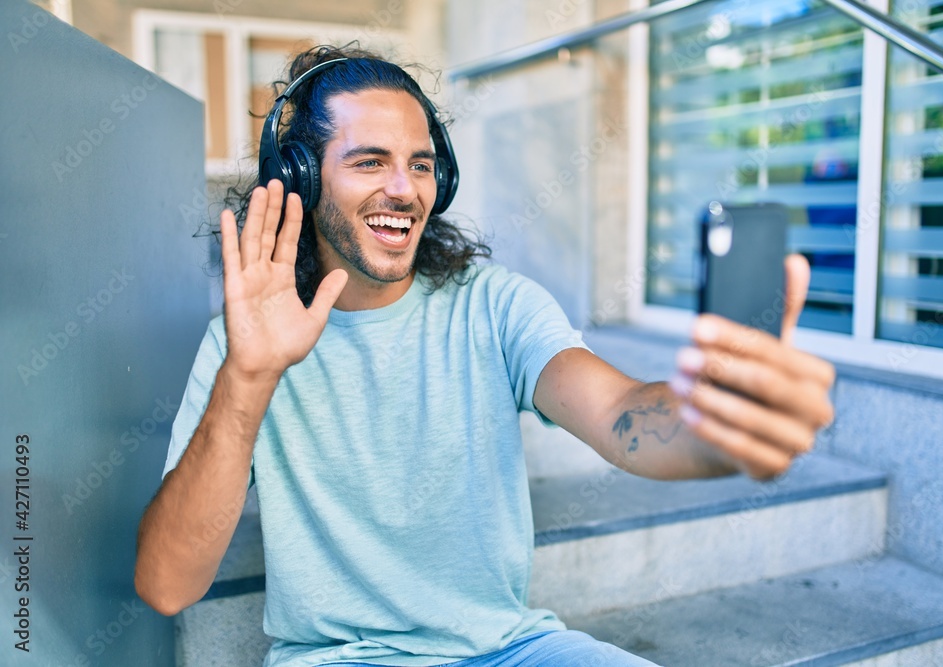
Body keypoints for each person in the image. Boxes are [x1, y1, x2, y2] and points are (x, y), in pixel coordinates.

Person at [134, 45, 835, 666]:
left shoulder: (494, 305)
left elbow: (621, 413)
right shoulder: (242, 344)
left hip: (508, 648)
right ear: (303, 179)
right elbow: (167, 583)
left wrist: (719, 421)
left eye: (420, 164)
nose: (405, 190)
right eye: (369, 161)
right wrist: (250, 378)